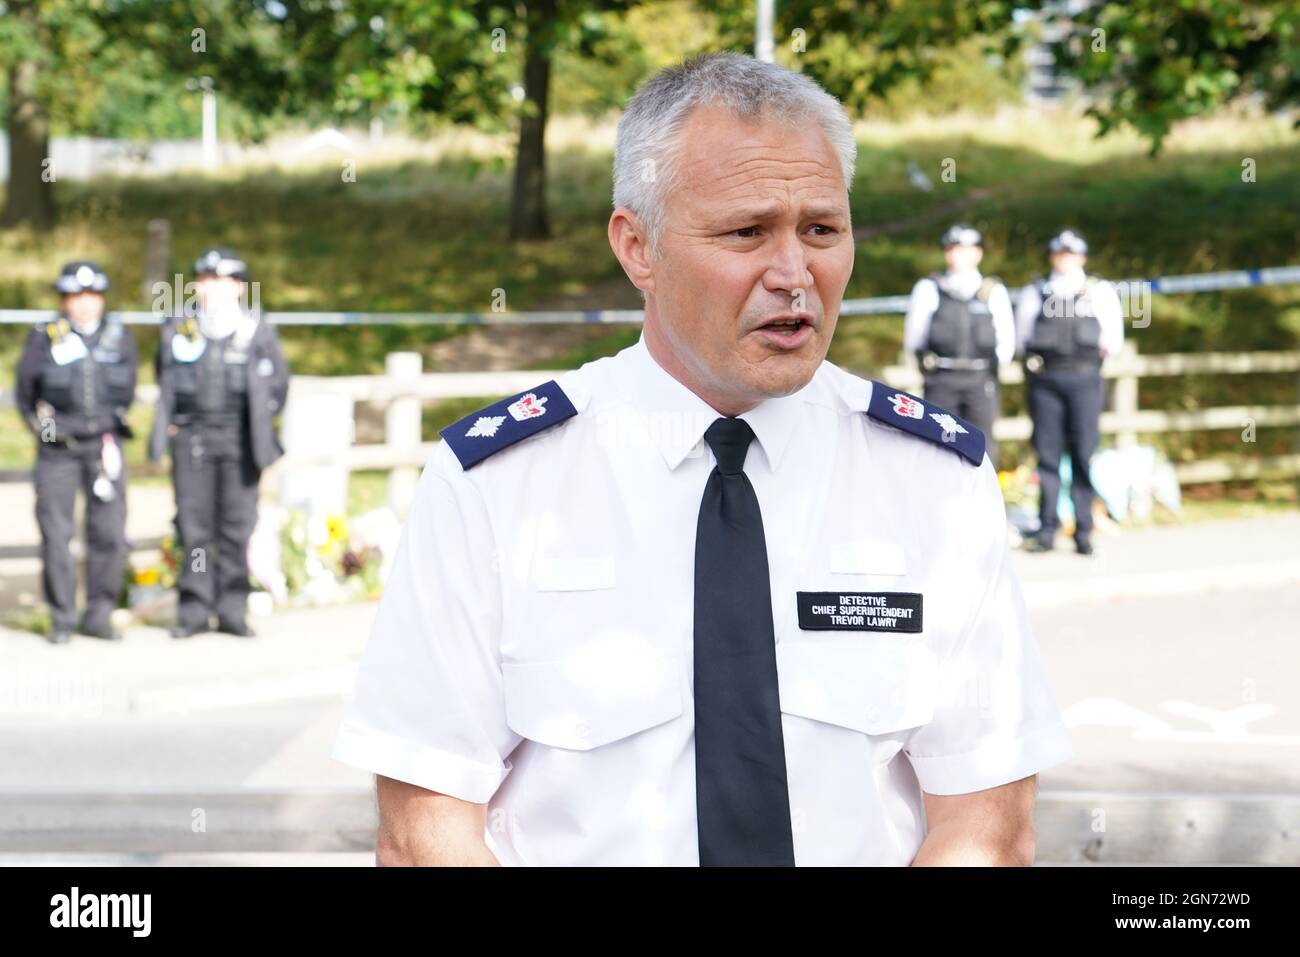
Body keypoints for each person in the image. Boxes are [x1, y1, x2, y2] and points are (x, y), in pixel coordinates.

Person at [333, 52, 1072, 867]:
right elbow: (427, 825)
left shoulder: (933, 481)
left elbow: (985, 822)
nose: (795, 275)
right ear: (638, 247)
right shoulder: (501, 486)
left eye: (821, 229)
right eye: (746, 232)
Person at [149, 247, 289, 638]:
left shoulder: (257, 328)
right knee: (195, 530)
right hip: (192, 441)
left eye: (221, 282)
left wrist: (261, 422)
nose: (210, 289)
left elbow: (278, 382)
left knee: (236, 528)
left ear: (239, 288)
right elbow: (164, 374)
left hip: (239, 442)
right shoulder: (179, 326)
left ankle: (232, 609)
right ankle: (193, 610)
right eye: (204, 280)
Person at [15, 262, 136, 644]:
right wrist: (50, 436)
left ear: (101, 299)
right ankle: (62, 618)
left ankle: (99, 615)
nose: (84, 304)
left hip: (103, 446)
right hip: (59, 450)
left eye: (91, 296)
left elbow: (128, 392)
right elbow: (28, 396)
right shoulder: (44, 337)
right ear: (64, 300)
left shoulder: (120, 337)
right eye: (75, 297)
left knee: (109, 534)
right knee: (56, 534)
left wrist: (106, 431)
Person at [1016, 229, 1124, 555]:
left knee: (1082, 454)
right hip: (1047, 382)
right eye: (1060, 254)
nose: (1065, 260)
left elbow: (1112, 340)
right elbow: (1023, 339)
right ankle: (1047, 528)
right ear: (1052, 257)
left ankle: (1083, 530)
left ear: (1082, 257)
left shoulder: (1099, 291)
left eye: (1071, 254)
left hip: (1085, 381)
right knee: (1047, 457)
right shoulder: (1037, 291)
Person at [903, 224, 1014, 467]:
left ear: (978, 253)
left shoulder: (992, 291)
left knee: (982, 449)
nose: (959, 255)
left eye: (966, 249)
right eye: (954, 249)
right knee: (937, 447)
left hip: (980, 379)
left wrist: (990, 371)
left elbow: (1006, 341)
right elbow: (915, 338)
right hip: (941, 378)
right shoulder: (930, 288)